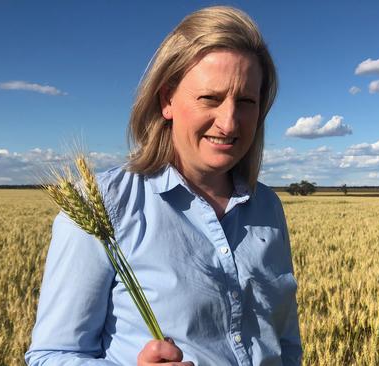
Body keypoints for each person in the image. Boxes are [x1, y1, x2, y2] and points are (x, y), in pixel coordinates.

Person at [26, 6, 302, 366]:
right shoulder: (103, 207)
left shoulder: (267, 206)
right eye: (210, 98)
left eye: (247, 101)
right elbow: (52, 355)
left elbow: (284, 342)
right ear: (166, 100)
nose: (230, 121)